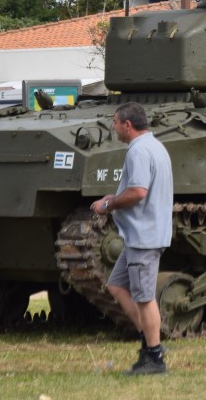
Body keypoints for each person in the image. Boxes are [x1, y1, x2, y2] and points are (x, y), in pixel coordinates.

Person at [90, 102, 173, 375]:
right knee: (117, 285)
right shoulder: (154, 146)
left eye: (115, 122)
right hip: (140, 235)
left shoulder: (139, 150)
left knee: (144, 298)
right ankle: (150, 340)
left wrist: (108, 205)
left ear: (128, 124)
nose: (113, 127)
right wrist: (114, 198)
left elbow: (138, 192)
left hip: (143, 236)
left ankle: (154, 357)